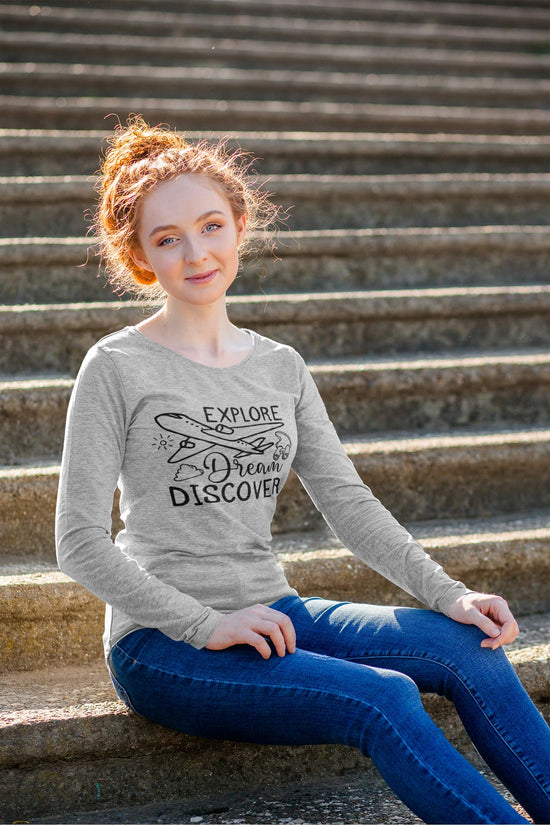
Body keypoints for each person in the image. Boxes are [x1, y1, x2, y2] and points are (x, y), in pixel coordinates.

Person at [55, 116, 550, 825]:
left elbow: (346, 502)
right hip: (163, 643)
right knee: (382, 696)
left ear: (239, 224)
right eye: (168, 239)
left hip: (275, 610)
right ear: (141, 258)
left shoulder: (279, 365)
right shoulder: (116, 366)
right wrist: (203, 623)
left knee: (468, 648)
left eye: (211, 226)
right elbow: (77, 541)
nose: (196, 252)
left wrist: (451, 593)